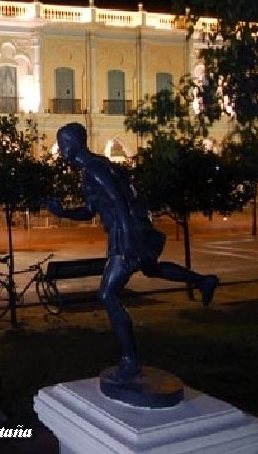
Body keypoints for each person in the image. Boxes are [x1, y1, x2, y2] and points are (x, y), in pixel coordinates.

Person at [47, 122, 219, 382]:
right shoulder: (93, 168)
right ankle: (203, 281)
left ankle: (130, 360)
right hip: (130, 229)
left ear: (73, 143)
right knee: (151, 268)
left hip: (125, 232)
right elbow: (91, 210)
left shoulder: (94, 168)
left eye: (62, 144)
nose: (60, 150)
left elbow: (118, 200)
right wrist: (64, 213)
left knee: (107, 294)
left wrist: (127, 240)